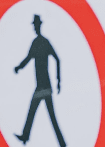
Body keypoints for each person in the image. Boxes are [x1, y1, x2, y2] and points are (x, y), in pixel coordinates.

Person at [14, 15, 66, 146]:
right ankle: (27, 136)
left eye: (36, 25)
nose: (35, 28)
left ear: (39, 26)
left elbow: (57, 59)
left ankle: (26, 136)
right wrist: (19, 67)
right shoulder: (39, 42)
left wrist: (59, 80)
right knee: (39, 113)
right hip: (43, 86)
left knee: (41, 113)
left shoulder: (40, 42)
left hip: (43, 86)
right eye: (34, 26)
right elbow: (28, 58)